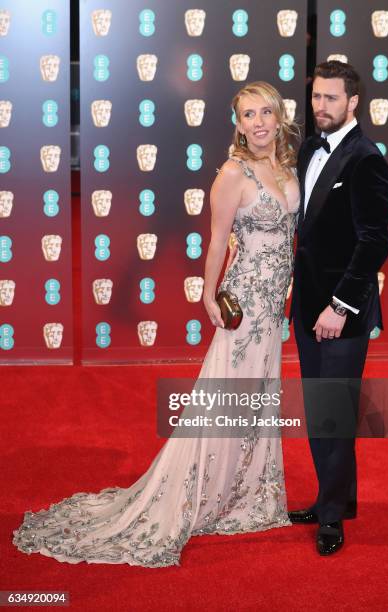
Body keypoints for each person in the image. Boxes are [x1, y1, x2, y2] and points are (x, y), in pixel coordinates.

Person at [12, 82, 300, 568]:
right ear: (238, 124)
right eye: (248, 115)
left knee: (257, 394)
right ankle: (201, 491)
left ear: (279, 117)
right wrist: (208, 295)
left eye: (265, 112)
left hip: (274, 306)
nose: (258, 124)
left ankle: (245, 491)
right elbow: (216, 243)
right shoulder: (233, 173)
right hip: (246, 303)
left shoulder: (287, 168)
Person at [288, 61, 388, 556]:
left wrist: (339, 306)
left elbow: (373, 243)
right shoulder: (311, 146)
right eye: (316, 97)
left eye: (331, 99)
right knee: (319, 411)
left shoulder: (366, 158)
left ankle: (332, 518)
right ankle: (330, 498)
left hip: (340, 313)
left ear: (353, 102)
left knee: (334, 414)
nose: (321, 107)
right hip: (308, 305)